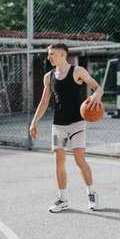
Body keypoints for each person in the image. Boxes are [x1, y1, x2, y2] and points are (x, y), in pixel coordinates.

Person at [29, 43, 103, 212]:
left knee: (79, 159)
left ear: (62, 55)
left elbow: (98, 87)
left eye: (51, 54)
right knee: (58, 160)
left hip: (77, 122)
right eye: (49, 54)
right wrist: (34, 122)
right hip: (59, 125)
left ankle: (92, 193)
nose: (49, 57)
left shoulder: (78, 71)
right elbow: (44, 101)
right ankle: (63, 199)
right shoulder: (49, 77)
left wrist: (96, 96)